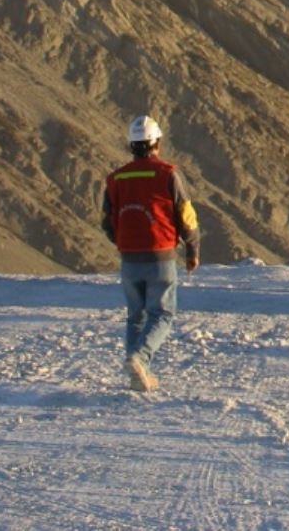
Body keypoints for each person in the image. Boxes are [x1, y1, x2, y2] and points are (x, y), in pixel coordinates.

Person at [102, 115, 200, 392]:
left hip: (129, 258)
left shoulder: (116, 178)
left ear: (131, 145)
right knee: (162, 314)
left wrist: (122, 240)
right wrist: (193, 249)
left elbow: (107, 220)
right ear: (156, 142)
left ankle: (138, 374)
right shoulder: (168, 174)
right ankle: (140, 360)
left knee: (136, 316)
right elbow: (186, 216)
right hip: (161, 256)